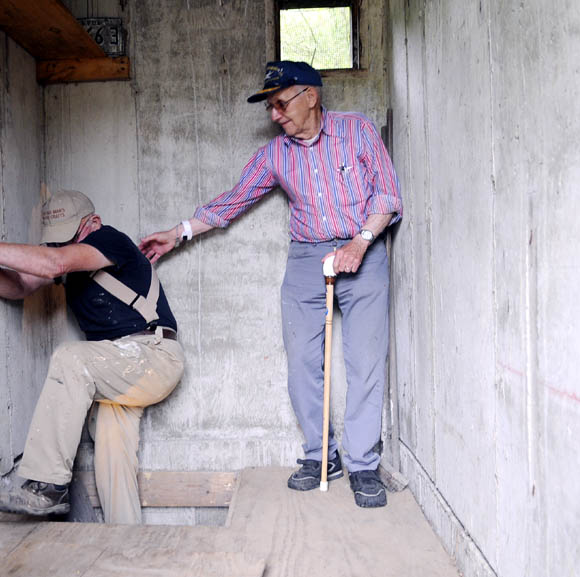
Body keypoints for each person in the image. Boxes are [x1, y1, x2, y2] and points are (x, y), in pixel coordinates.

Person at [139, 61, 402, 508]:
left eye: (280, 104)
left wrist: (361, 241)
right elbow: (233, 200)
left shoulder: (357, 131)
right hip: (307, 256)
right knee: (302, 361)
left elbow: (388, 194)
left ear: (310, 97)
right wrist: (178, 231)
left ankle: (362, 465)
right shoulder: (275, 155)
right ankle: (323, 458)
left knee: (366, 360)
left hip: (365, 247)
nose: (274, 116)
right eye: (270, 107)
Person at [0, 189, 184, 524]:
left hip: (153, 356)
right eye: (57, 241)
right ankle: (126, 542)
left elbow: (54, 264)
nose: (62, 247)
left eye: (70, 237)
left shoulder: (110, 240)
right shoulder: (64, 256)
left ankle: (48, 486)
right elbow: (20, 287)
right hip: (117, 366)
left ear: (93, 223)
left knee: (70, 359)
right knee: (112, 458)